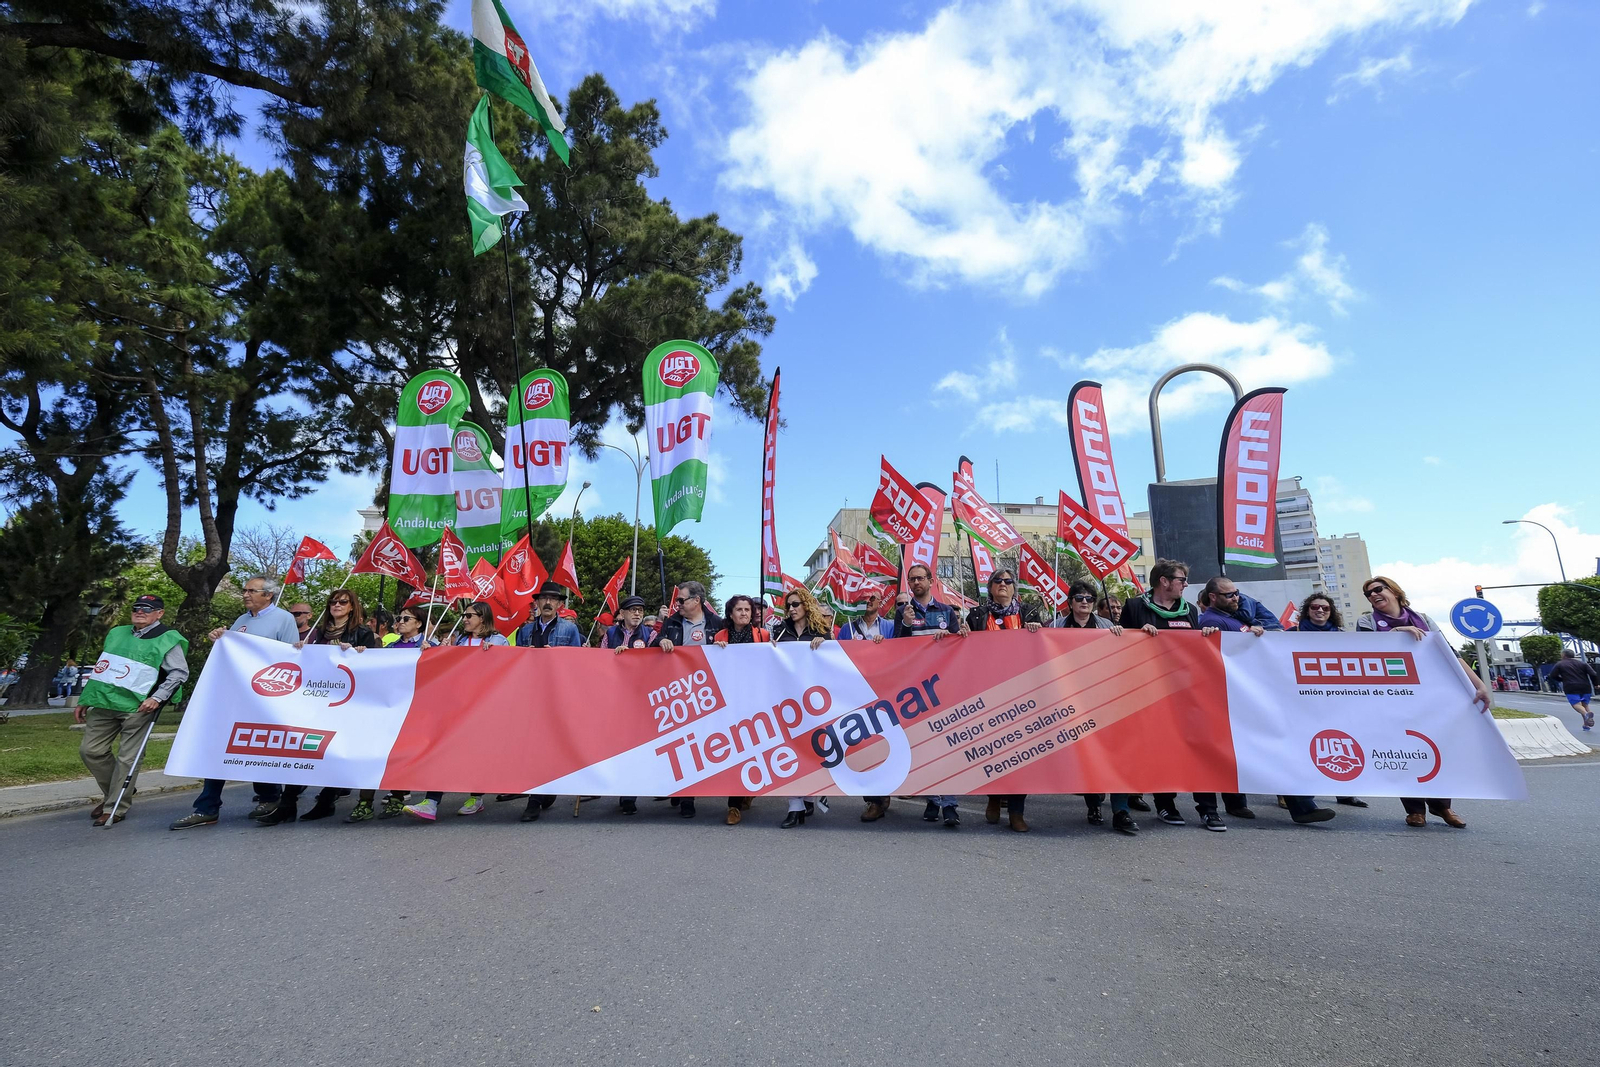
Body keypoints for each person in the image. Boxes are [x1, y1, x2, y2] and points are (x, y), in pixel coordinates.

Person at [1197, 578, 1334, 826]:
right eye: (1228, 595)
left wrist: (1254, 630)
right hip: (1236, 698)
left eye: (1236, 593)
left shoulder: (1236, 617)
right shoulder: (1212, 621)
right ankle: (1298, 806)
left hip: (1247, 695)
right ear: (1213, 597)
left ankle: (1244, 804)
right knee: (1271, 750)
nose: (1235, 598)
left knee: (1250, 752)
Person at [1357, 575, 1491, 829]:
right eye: (1368, 593)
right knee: (1403, 749)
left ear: (1394, 591)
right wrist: (1396, 633)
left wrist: (1479, 685)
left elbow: (1448, 652)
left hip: (1430, 696)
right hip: (1392, 696)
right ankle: (1414, 810)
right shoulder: (1366, 621)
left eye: (1377, 589)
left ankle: (1443, 807)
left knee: (1437, 747)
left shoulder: (1423, 619)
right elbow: (1366, 650)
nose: (1373, 595)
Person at [171, 575, 298, 830]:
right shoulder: (241, 621)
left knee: (258, 748)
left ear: (268, 595)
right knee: (223, 746)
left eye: (252, 590)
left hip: (264, 698)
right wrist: (221, 637)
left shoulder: (284, 619)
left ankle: (269, 797)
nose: (245, 594)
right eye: (245, 590)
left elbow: (292, 657)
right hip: (235, 695)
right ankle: (207, 807)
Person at [1118, 560, 1231, 831]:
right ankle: (1165, 804)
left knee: (1198, 748)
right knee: (1160, 749)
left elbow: (1194, 648)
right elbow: (1119, 644)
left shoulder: (1190, 610)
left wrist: (1206, 635)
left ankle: (1208, 810)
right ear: (1164, 581)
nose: (1185, 584)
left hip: (1185, 692)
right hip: (1149, 693)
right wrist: (1137, 635)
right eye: (1181, 579)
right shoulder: (1135, 606)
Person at [258, 589, 381, 825]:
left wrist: (360, 654)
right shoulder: (317, 632)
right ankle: (288, 803)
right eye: (332, 601)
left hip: (347, 701)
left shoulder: (363, 633)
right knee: (303, 748)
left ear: (352, 606)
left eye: (342, 602)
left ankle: (327, 799)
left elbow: (374, 668)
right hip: (316, 698)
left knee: (336, 750)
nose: (336, 605)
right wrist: (299, 651)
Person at [75, 595, 190, 826]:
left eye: (148, 608)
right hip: (104, 702)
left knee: (128, 759)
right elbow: (103, 668)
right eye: (136, 608)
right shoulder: (117, 633)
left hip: (138, 707)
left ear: (159, 614)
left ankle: (116, 806)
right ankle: (116, 793)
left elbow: (179, 672)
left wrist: (157, 698)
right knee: (90, 751)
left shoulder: (168, 638)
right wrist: (86, 698)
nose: (140, 611)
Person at [403, 602, 507, 822]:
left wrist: (496, 654)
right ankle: (430, 802)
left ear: (483, 617)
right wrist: (434, 650)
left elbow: (508, 669)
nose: (465, 619)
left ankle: (475, 798)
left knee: (476, 753)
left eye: (469, 615)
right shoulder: (458, 639)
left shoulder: (497, 640)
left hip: (483, 706)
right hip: (455, 705)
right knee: (441, 748)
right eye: (463, 615)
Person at [1053, 580, 1138, 834]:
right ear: (1070, 602)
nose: (1084, 602)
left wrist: (1130, 635)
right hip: (1072, 701)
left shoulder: (1108, 626)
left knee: (1117, 752)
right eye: (1079, 598)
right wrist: (1035, 630)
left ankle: (1121, 810)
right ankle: (1093, 804)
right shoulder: (1056, 626)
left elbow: (1122, 657)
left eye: (1089, 598)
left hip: (1105, 699)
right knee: (1088, 755)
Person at [891, 563, 968, 826]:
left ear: (931, 580)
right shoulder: (904, 612)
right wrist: (905, 624)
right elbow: (895, 650)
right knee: (923, 748)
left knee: (947, 747)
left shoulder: (946, 610)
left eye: (920, 578)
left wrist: (959, 634)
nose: (915, 583)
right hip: (916, 691)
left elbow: (961, 645)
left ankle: (950, 805)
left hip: (944, 688)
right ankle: (932, 801)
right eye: (911, 579)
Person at [965, 569, 1043, 833]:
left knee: (1021, 753)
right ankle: (994, 798)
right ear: (990, 587)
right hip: (988, 692)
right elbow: (963, 651)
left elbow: (1042, 647)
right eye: (997, 581)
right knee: (994, 750)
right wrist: (961, 635)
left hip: (1022, 693)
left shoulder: (1029, 613)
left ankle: (1017, 812)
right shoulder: (976, 615)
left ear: (1014, 588)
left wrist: (1038, 631)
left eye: (1008, 581)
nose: (1002, 585)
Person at [346, 608, 435, 822]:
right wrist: (356, 652)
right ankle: (364, 802)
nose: (400, 623)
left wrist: (432, 653)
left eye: (406, 619)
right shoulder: (391, 646)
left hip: (414, 709)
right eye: (399, 619)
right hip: (387, 707)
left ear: (419, 624)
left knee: (400, 755)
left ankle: (397, 798)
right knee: (374, 753)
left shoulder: (429, 646)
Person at [651, 582, 723, 818]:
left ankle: (688, 795)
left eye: (681, 600)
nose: (677, 604)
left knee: (697, 744)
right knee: (680, 744)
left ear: (697, 601)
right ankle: (683, 794)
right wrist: (660, 642)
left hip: (707, 695)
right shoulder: (671, 622)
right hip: (676, 693)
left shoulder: (717, 624)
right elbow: (652, 646)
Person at [1291, 593, 1364, 808]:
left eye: (1325, 608)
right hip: (1303, 700)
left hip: (1336, 700)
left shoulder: (1342, 636)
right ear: (1307, 610)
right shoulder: (1291, 634)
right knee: (1303, 747)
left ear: (1331, 612)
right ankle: (1296, 794)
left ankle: (1344, 792)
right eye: (1315, 607)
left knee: (1340, 744)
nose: (1320, 610)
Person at [772, 587, 831, 828]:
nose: (791, 609)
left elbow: (835, 661)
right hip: (787, 699)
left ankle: (809, 795)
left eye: (796, 604)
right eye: (789, 605)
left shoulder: (821, 630)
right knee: (790, 749)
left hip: (815, 700)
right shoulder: (779, 630)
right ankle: (794, 806)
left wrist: (825, 644)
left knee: (813, 748)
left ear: (806, 605)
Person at [711, 594, 769, 825]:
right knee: (735, 749)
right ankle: (733, 806)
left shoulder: (762, 635)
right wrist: (715, 650)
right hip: (729, 701)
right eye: (739, 610)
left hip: (754, 700)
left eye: (748, 609)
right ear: (731, 614)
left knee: (752, 748)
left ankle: (748, 789)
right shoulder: (720, 636)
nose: (744, 613)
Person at [1545, 649, 1600, 731]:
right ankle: (1586, 724)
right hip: (1585, 686)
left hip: (1571, 687)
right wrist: (1596, 684)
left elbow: (1552, 675)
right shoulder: (1582, 663)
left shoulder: (1560, 664)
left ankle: (1586, 714)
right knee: (1585, 705)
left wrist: (1562, 679)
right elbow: (1593, 674)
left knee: (1576, 704)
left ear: (1563, 655)